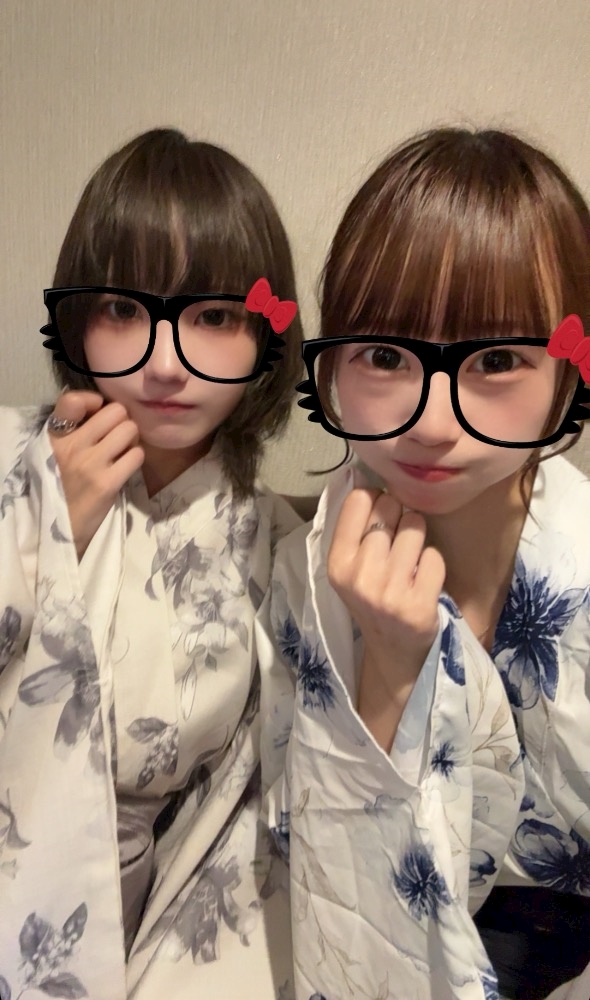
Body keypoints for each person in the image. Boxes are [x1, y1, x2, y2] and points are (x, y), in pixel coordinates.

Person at [257, 128, 590, 1000]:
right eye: (384, 355)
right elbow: (322, 872)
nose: (431, 423)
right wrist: (390, 676)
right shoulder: (304, 577)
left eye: (497, 359)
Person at [0, 128, 303, 1000]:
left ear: (266, 336)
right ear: (77, 320)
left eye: (213, 317)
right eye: (124, 309)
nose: (165, 364)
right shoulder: (14, 460)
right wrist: (41, 528)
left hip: (164, 915)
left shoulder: (278, 545)